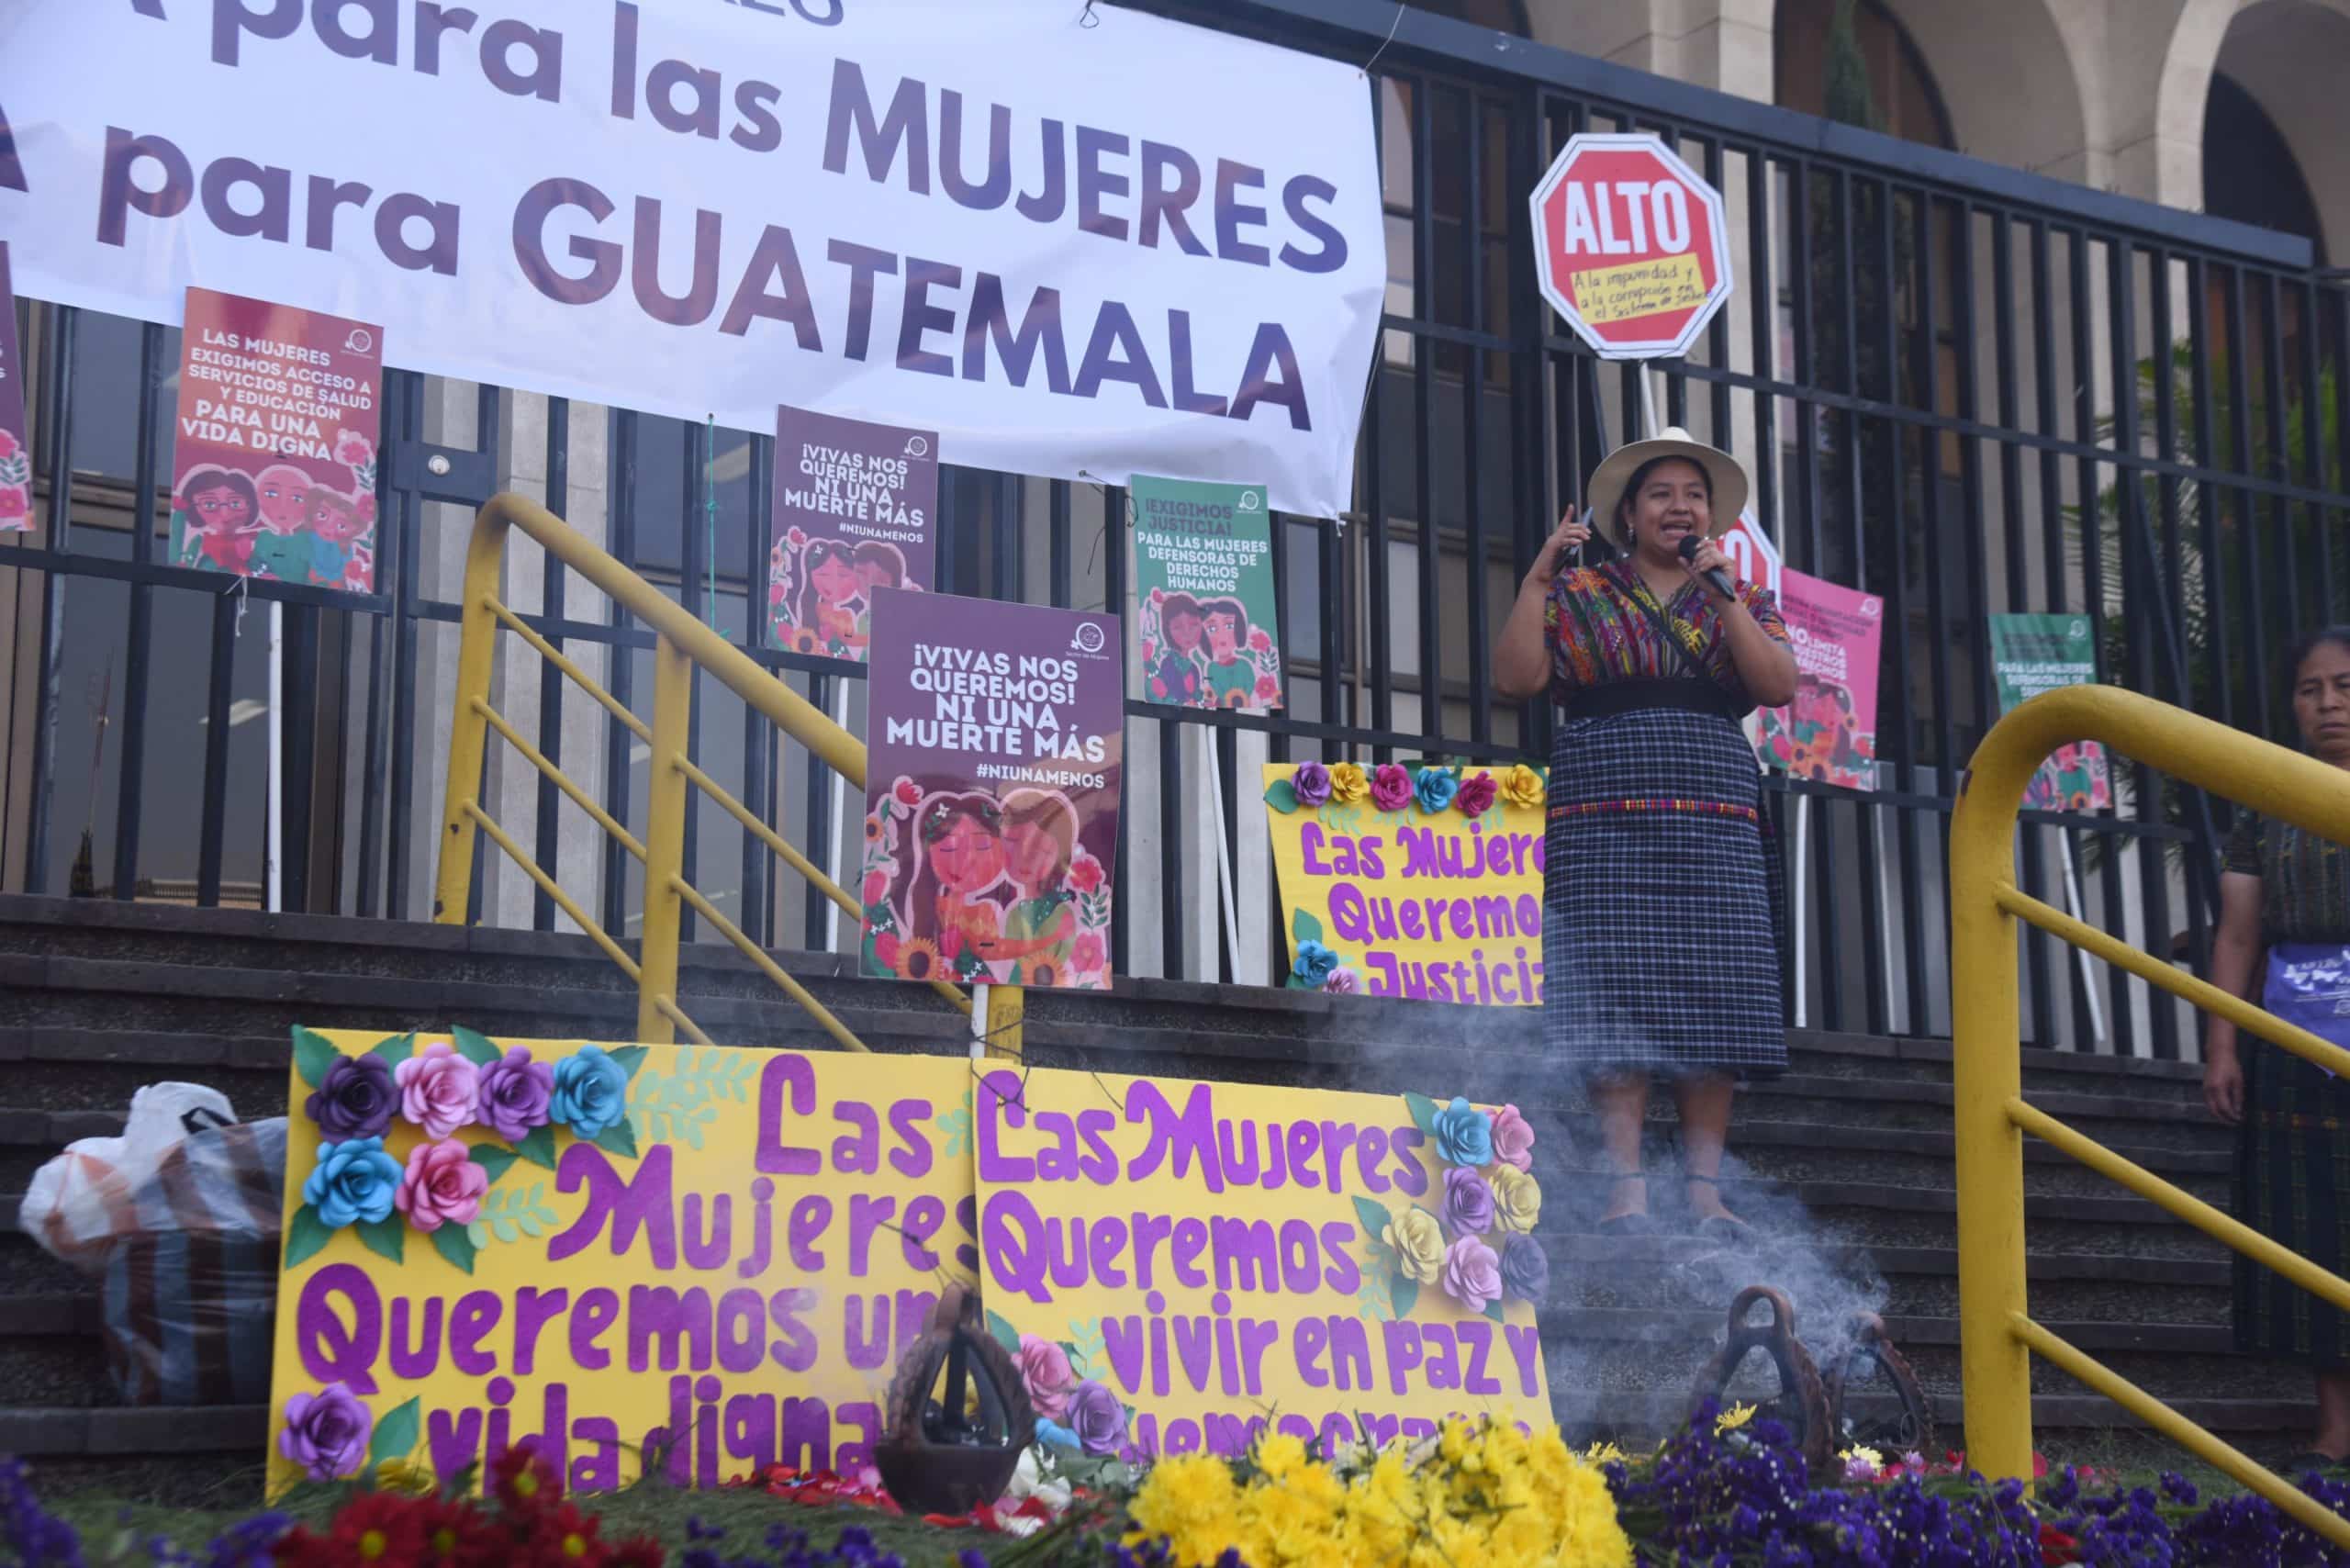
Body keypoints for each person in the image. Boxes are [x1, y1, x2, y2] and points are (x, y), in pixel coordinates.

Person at [1493, 427, 1797, 1239]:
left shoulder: (1739, 592)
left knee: (1717, 991)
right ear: (1627, 514)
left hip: (1712, 807)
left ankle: (1703, 1189)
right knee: (1611, 988)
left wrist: (1726, 594)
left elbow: (1776, 686)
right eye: (1661, 494)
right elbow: (1516, 679)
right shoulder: (1582, 590)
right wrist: (1536, 578)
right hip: (1603, 804)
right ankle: (1627, 1186)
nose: (1680, 507)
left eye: (1693, 496)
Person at [2204, 626, 2350, 1472]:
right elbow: (2237, 935)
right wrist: (2222, 1046)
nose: (2326, 704)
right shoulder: (2267, 799)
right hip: (2298, 1039)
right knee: (2318, 1230)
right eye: (2309, 690)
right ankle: (2335, 1429)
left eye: (2343, 686)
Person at [979, 790, 1080, 984]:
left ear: (1060, 856)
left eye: (1039, 849)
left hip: (1049, 987)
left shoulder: (1061, 911)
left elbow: (1065, 953)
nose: (1023, 858)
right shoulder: (1013, 912)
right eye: (1011, 842)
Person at [175, 468, 262, 574]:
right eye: (209, 504)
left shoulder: (257, 541)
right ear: (194, 508)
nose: (224, 514)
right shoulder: (197, 544)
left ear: (250, 505)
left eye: (235, 503)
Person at [1201, 598, 1257, 709]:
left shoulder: (1244, 666)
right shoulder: (1212, 668)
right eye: (1212, 629)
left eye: (1229, 626)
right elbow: (1217, 691)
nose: (1222, 634)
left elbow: (1249, 686)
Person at [1153, 593, 1208, 707]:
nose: (1187, 633)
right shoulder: (1168, 664)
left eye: (1193, 625)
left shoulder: (1193, 668)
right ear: (1167, 630)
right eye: (1177, 627)